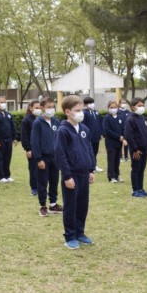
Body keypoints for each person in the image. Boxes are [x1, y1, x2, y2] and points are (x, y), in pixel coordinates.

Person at [54, 95, 96, 249]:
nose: (81, 113)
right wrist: (67, 176)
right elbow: (60, 154)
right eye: (77, 110)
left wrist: (91, 169)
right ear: (68, 112)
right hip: (71, 176)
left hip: (84, 174)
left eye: (82, 110)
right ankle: (70, 236)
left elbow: (89, 149)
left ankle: (80, 232)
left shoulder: (84, 129)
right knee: (70, 207)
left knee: (82, 206)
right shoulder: (63, 131)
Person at [31, 97, 63, 217]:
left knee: (54, 180)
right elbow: (35, 142)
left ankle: (53, 204)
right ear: (42, 108)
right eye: (48, 107)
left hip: (55, 157)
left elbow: (59, 139)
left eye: (52, 107)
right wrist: (39, 159)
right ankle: (43, 206)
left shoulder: (55, 121)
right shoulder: (38, 123)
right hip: (44, 158)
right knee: (43, 182)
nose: (51, 109)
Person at [124, 97, 147, 198]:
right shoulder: (130, 119)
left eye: (143, 106)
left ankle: (141, 188)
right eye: (139, 106)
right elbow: (129, 135)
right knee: (136, 169)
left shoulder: (143, 118)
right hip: (137, 150)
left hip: (144, 149)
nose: (141, 107)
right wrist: (135, 149)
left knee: (142, 169)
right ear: (133, 107)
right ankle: (135, 189)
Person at [0, 96, 18, 183]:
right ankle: (0, 177)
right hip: (0, 140)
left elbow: (13, 126)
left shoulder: (8, 114)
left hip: (8, 140)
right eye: (1, 102)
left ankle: (7, 175)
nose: (3, 104)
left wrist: (15, 137)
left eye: (4, 102)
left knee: (7, 158)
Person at [20, 99, 42, 196]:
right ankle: (34, 187)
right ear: (31, 108)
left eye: (40, 108)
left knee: (43, 169)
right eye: (36, 108)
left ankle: (42, 186)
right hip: (32, 149)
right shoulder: (27, 120)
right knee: (33, 169)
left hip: (43, 148)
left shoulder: (43, 119)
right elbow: (24, 136)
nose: (39, 110)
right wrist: (27, 149)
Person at [102, 100, 126, 183]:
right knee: (111, 160)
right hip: (110, 142)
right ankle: (111, 177)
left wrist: (123, 137)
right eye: (111, 107)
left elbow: (123, 128)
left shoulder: (120, 117)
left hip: (119, 142)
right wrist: (118, 136)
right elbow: (107, 131)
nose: (113, 109)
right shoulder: (107, 118)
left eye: (115, 107)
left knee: (117, 160)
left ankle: (117, 175)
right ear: (108, 108)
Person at [82, 96, 104, 172]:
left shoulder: (96, 112)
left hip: (96, 136)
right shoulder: (84, 113)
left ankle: (94, 165)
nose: (92, 104)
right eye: (89, 103)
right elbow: (83, 125)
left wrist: (101, 133)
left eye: (92, 103)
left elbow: (100, 123)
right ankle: (90, 166)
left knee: (95, 151)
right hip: (88, 136)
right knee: (89, 152)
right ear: (85, 104)